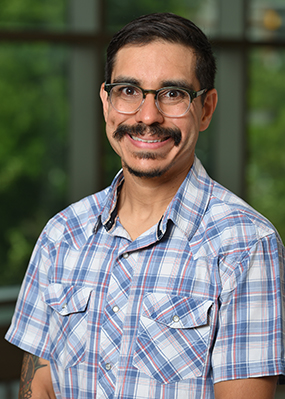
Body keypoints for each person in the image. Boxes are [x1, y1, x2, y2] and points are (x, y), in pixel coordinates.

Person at [5, 12, 285, 399]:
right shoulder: (62, 235)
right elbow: (38, 387)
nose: (148, 117)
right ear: (106, 102)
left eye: (173, 94)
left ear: (205, 109)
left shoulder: (246, 245)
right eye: (129, 91)